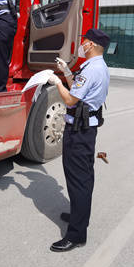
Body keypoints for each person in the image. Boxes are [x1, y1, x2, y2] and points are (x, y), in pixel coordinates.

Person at [46, 28, 110, 252]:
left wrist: (57, 82)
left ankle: (76, 235)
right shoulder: (98, 66)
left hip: (80, 131)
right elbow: (78, 88)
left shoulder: (91, 69)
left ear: (91, 45)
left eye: (84, 41)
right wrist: (66, 71)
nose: (82, 44)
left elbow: (71, 99)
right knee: (81, 178)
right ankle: (78, 216)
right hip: (85, 129)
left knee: (79, 180)